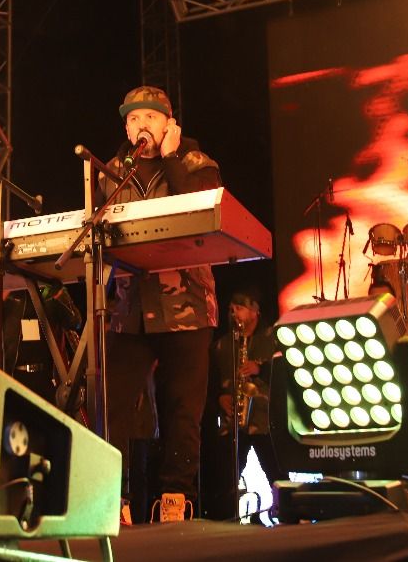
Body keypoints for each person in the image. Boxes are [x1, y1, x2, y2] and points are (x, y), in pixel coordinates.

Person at [100, 85, 220, 523]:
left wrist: (172, 157)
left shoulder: (196, 162)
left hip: (186, 306)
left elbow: (201, 212)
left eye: (149, 116)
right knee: (111, 404)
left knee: (182, 408)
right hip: (129, 310)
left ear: (170, 124)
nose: (140, 125)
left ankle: (176, 500)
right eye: (132, 119)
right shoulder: (110, 172)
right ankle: (113, 500)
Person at [206, 292, 280, 520]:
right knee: (226, 479)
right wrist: (219, 398)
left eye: (239, 308)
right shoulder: (222, 345)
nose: (233, 312)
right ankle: (226, 521)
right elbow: (209, 381)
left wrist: (260, 369)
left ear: (255, 311)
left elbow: (285, 372)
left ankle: (285, 514)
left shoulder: (272, 338)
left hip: (264, 421)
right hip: (233, 422)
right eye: (232, 308)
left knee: (276, 474)